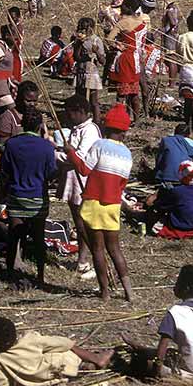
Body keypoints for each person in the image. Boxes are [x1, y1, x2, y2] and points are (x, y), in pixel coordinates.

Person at [66, 104, 134, 302]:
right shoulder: (127, 154)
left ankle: (104, 292)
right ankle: (129, 292)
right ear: (124, 131)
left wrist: (70, 151)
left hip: (94, 202)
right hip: (113, 204)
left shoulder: (99, 145)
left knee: (97, 249)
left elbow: (84, 170)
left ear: (106, 127)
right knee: (115, 249)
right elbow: (122, 184)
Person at [122, 265, 193, 378]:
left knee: (139, 362)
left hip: (190, 377)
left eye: (178, 282)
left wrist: (156, 371)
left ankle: (140, 352)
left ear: (186, 288)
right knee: (173, 353)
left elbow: (160, 355)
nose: (175, 285)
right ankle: (141, 348)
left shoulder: (175, 312)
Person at [0, 109, 56, 289]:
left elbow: (4, 171)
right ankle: (40, 275)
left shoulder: (12, 145)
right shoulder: (47, 147)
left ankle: (10, 274)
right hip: (38, 197)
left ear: (22, 125)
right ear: (40, 126)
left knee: (13, 236)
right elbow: (51, 173)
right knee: (38, 238)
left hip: (16, 196)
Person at [0, 315, 112, 386]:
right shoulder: (30, 339)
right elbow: (62, 343)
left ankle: (84, 366)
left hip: (31, 384)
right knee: (65, 350)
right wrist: (70, 344)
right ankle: (94, 359)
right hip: (56, 373)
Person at [56, 95, 102, 281]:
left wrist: (56, 155)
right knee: (77, 219)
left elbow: (79, 158)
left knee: (83, 221)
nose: (68, 117)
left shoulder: (89, 131)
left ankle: (86, 259)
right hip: (72, 178)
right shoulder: (77, 129)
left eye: (70, 113)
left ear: (81, 112)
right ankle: (81, 259)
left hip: (82, 179)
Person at [107, 0, 147, 120]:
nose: (121, 8)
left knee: (121, 94)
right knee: (134, 92)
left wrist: (118, 45)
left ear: (128, 8)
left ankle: (120, 118)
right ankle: (137, 119)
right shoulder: (142, 21)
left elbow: (109, 39)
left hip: (125, 59)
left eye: (123, 6)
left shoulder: (123, 23)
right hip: (137, 59)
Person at [73, 17, 106, 124]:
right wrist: (78, 45)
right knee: (79, 99)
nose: (83, 31)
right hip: (81, 72)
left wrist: (96, 52)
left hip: (91, 73)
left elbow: (103, 61)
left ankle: (97, 122)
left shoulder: (96, 40)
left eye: (86, 29)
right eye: (81, 29)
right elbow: (76, 57)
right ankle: (81, 120)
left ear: (91, 28)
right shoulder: (78, 40)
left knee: (93, 101)